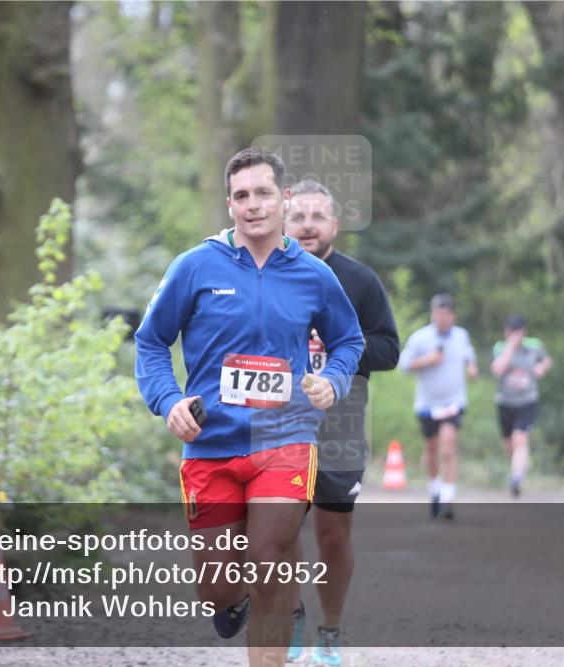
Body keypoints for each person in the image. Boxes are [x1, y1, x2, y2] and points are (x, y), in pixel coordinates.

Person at [134, 148, 364, 667]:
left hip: (285, 438)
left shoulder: (312, 275)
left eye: (263, 193)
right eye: (242, 196)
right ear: (229, 204)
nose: (253, 205)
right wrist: (168, 401)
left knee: (269, 559)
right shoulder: (194, 267)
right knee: (217, 588)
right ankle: (229, 600)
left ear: (283, 199)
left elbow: (348, 340)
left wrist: (332, 378)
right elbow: (150, 343)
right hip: (210, 442)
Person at [283, 179, 399, 666]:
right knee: (278, 532)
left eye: (317, 216)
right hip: (276, 426)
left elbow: (389, 350)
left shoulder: (360, 281)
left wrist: (337, 351)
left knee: (332, 536)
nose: (307, 225)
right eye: (299, 216)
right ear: (284, 223)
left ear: (334, 224)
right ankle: (290, 623)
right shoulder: (266, 276)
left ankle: (329, 632)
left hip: (340, 428)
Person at [398, 294, 478, 519]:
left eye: (446, 315)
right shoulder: (420, 338)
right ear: (432, 315)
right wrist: (427, 360)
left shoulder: (462, 336)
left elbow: (469, 356)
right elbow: (403, 365)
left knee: (448, 446)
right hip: (427, 404)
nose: (442, 318)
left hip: (454, 401)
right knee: (432, 450)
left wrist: (472, 368)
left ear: (453, 316)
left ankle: (447, 499)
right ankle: (434, 488)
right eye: (437, 314)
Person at [490, 314, 552, 497]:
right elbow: (497, 370)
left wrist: (542, 368)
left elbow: (547, 360)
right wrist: (510, 347)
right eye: (512, 332)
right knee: (509, 444)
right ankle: (520, 464)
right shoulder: (500, 347)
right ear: (506, 332)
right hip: (505, 401)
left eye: (519, 332)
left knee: (520, 438)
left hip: (527, 400)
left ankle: (516, 478)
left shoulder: (534, 346)